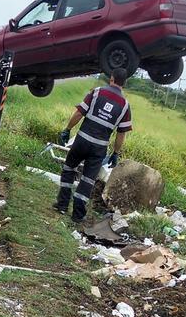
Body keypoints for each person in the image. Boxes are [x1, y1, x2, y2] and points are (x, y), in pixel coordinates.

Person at [54, 68, 133, 222]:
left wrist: (67, 129)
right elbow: (121, 133)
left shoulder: (97, 92)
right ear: (124, 83)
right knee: (88, 180)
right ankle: (77, 216)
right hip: (99, 149)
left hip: (81, 141)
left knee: (69, 169)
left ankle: (62, 205)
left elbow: (79, 113)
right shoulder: (125, 105)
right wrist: (116, 153)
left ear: (111, 78)